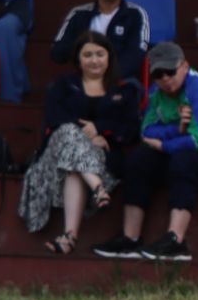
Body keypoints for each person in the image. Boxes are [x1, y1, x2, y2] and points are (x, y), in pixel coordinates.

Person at [93, 41, 198, 261]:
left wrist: (166, 144)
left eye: (170, 71)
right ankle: (130, 239)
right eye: (158, 74)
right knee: (139, 160)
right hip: (188, 147)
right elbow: (146, 130)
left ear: (184, 67)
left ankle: (175, 241)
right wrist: (176, 129)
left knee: (183, 160)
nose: (165, 79)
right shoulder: (157, 93)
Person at [20, 30, 139, 255]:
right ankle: (97, 188)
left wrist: (102, 129)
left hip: (98, 164)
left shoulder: (125, 91)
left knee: (75, 167)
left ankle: (69, 236)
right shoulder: (62, 86)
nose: (94, 60)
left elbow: (131, 129)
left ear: (109, 57)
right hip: (55, 164)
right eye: (88, 55)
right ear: (78, 59)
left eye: (99, 54)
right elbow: (55, 119)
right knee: (67, 131)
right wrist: (89, 134)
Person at [48, 0, 151, 80]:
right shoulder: (78, 14)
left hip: (122, 81)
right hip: (85, 80)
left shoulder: (136, 14)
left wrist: (106, 78)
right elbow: (57, 53)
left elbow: (136, 54)